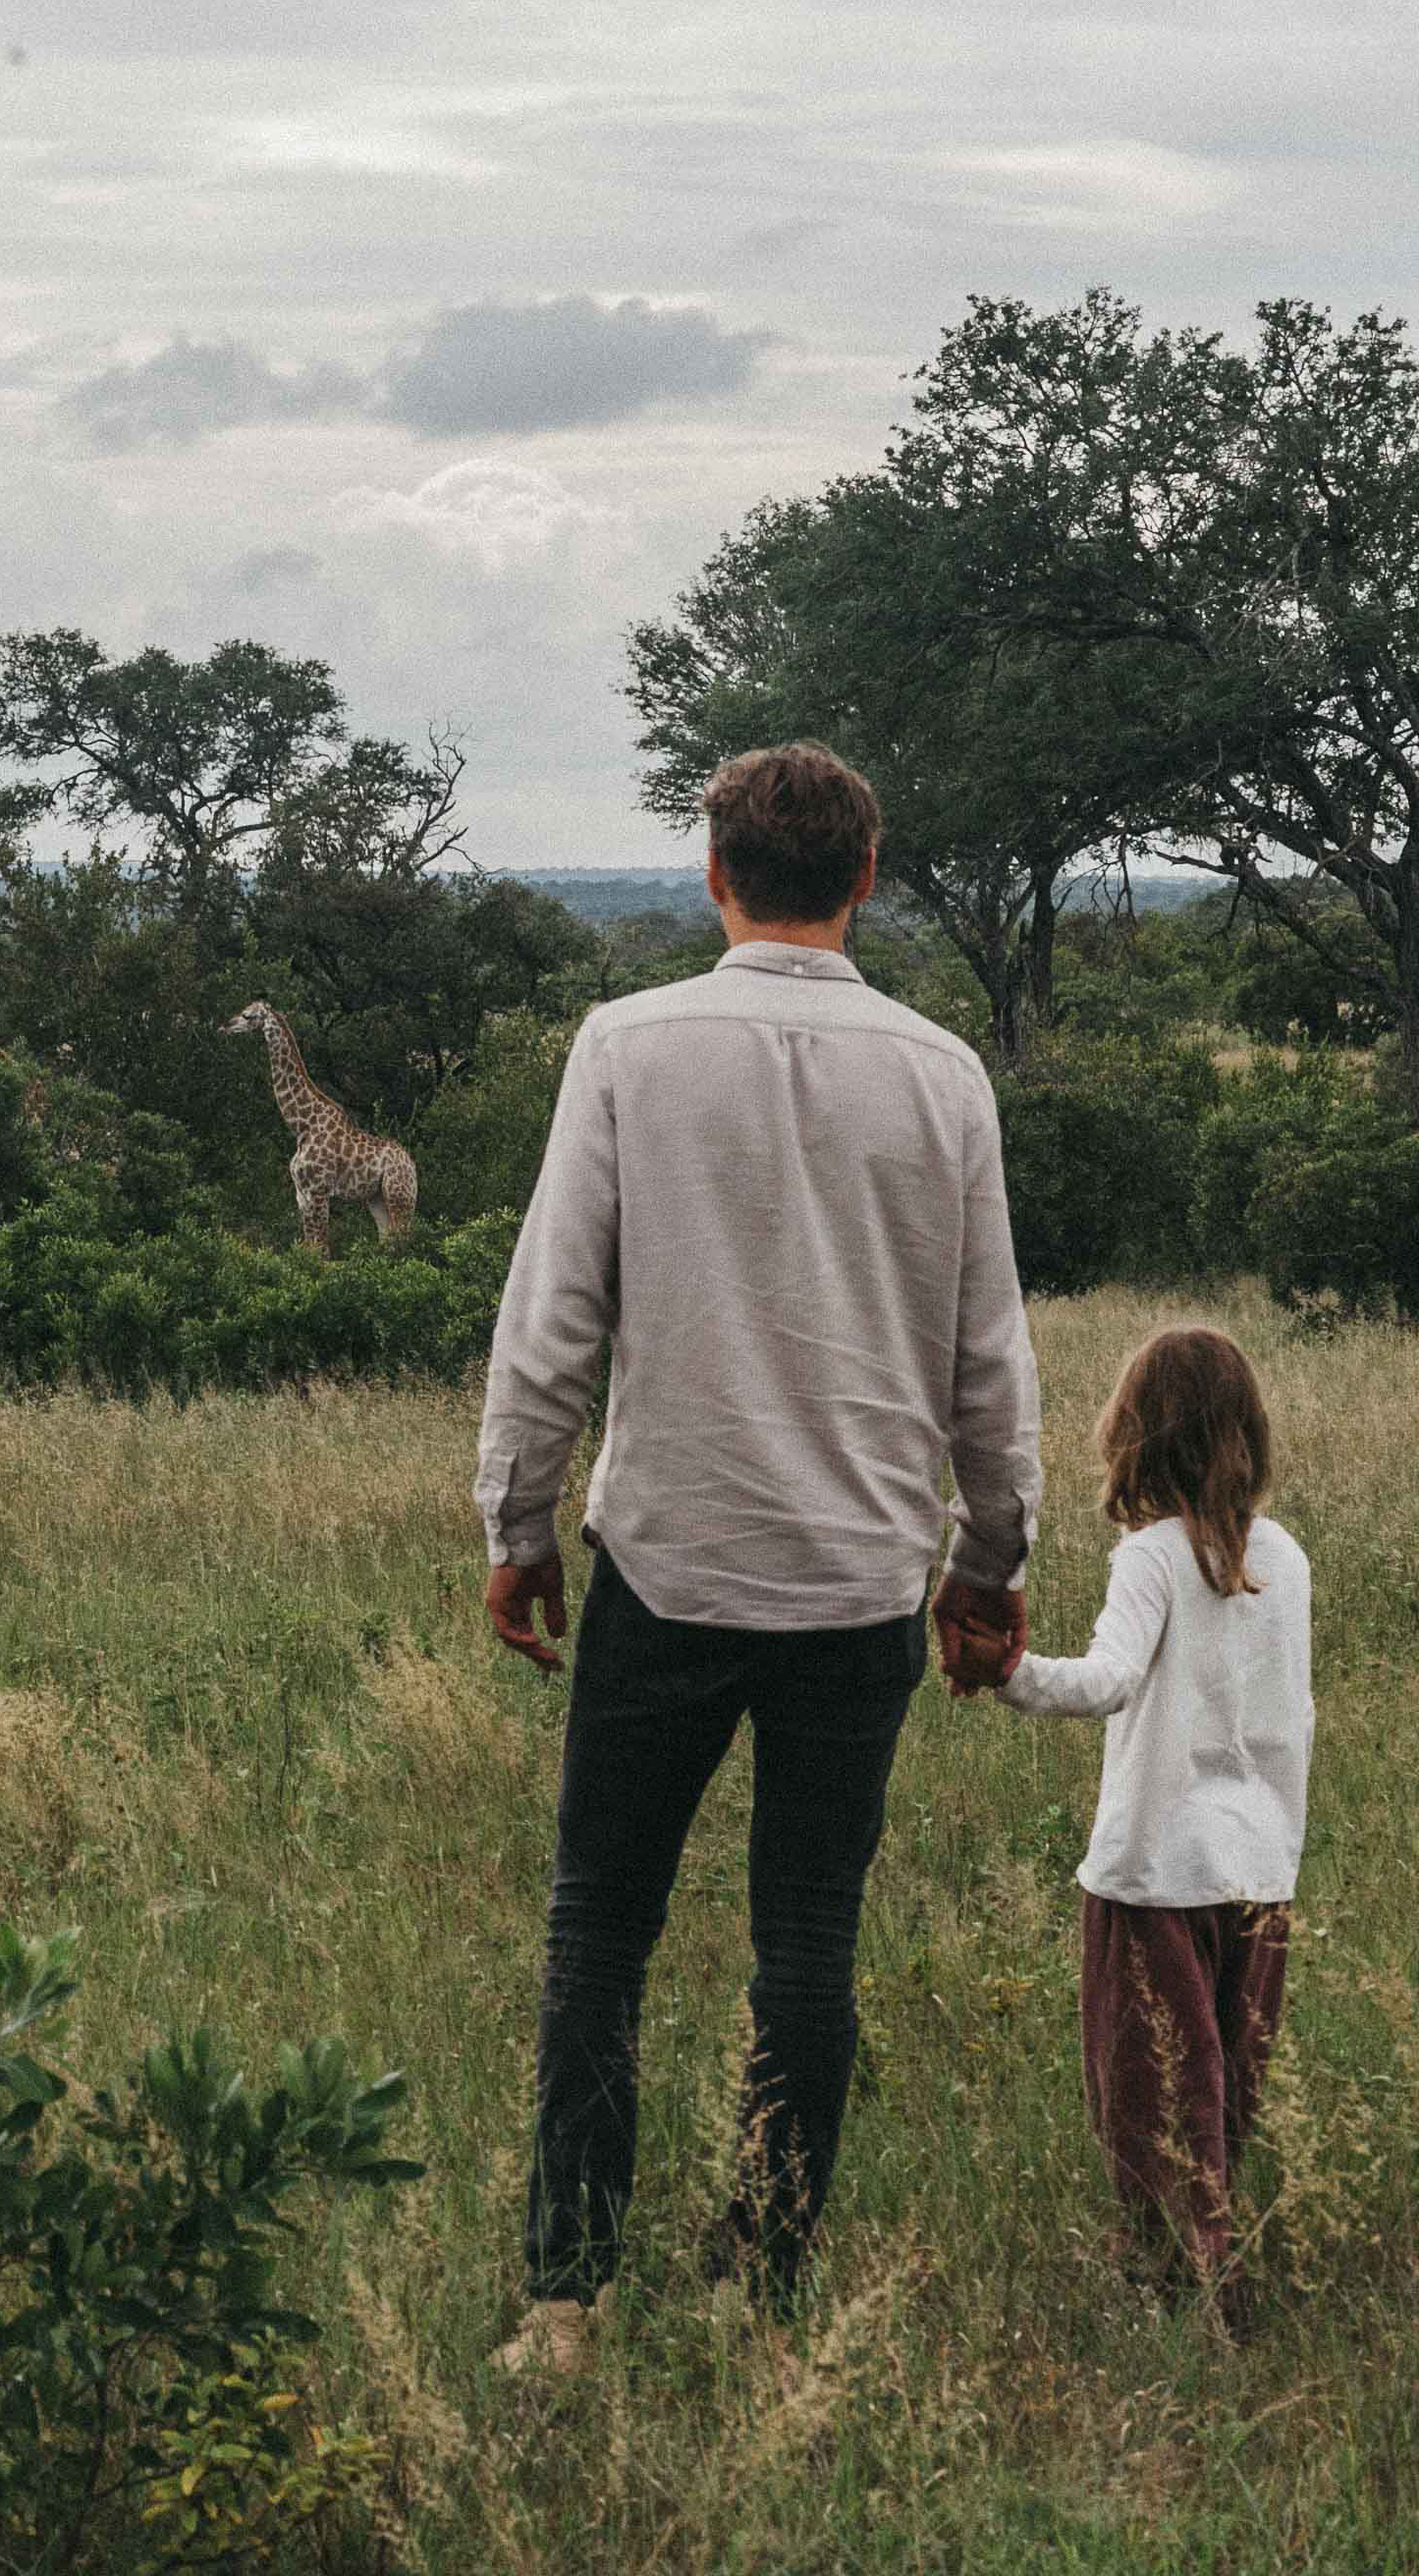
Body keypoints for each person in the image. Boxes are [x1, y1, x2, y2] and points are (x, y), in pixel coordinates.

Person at [474, 740, 1041, 2380]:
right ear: (864, 880)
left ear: (716, 871)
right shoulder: (944, 1076)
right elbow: (988, 1365)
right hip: (863, 1581)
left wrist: (518, 1528)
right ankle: (756, 2291)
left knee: (601, 1933)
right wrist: (989, 1565)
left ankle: (566, 2301)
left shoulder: (626, 1048)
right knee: (807, 1946)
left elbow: (551, 1323)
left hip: (664, 1562)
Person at [993, 1327, 1310, 2310]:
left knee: (1153, 2090)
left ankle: (1184, 2271)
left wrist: (1007, 1674)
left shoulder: (1153, 1556)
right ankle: (1210, 2248)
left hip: (1157, 1867)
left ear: (1138, 1432)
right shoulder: (1286, 1558)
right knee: (1226, 2081)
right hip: (1260, 1871)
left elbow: (1105, 1682)